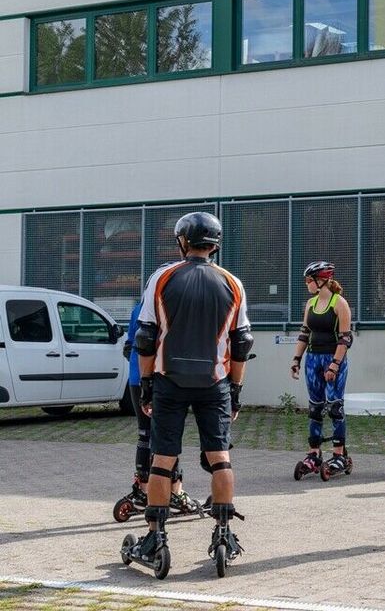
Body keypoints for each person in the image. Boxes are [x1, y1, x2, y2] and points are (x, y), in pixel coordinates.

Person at [129, 211, 252, 565]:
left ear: (183, 241)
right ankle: (225, 532)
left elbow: (146, 337)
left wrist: (147, 384)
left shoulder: (163, 277)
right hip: (214, 383)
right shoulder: (232, 282)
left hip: (169, 380)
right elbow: (241, 342)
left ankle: (155, 537)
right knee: (219, 456)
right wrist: (236, 390)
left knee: (163, 459)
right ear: (216, 244)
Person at [121, 300, 198, 515]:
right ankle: (175, 492)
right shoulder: (170, 306)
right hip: (162, 380)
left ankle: (142, 491)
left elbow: (129, 346)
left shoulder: (139, 307)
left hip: (137, 379)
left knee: (144, 435)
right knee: (168, 436)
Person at [290, 261, 353, 476]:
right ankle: (314, 454)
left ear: (321, 280)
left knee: (335, 407)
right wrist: (296, 359)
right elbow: (304, 334)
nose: (307, 283)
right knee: (315, 408)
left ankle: (338, 456)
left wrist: (334, 365)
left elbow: (345, 339)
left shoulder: (339, 303)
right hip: (313, 359)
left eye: (309, 280)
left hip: (333, 358)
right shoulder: (310, 303)